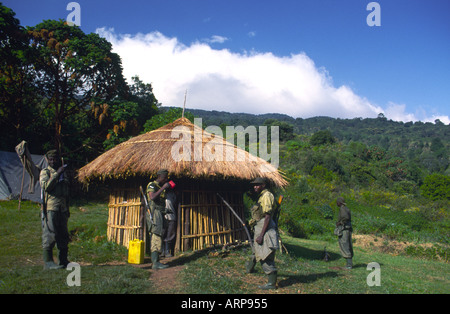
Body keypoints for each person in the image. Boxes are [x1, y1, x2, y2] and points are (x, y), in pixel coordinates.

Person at [245, 177, 279, 290]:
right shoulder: (261, 196)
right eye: (254, 185)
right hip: (260, 226)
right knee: (257, 250)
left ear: (263, 185)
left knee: (265, 255)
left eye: (257, 185)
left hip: (265, 227)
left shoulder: (267, 196)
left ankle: (271, 283)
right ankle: (249, 268)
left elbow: (268, 216)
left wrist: (261, 235)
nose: (255, 186)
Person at [39, 149, 70, 270]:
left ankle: (63, 260)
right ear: (47, 160)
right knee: (50, 234)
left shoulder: (64, 172)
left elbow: (66, 192)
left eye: (55, 159)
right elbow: (46, 187)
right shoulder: (45, 172)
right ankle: (48, 262)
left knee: (63, 235)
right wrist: (56, 174)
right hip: (51, 208)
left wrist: (67, 208)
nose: (53, 161)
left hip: (62, 208)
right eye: (50, 159)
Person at [146, 169, 171, 269]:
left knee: (159, 234)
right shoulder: (152, 185)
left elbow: (159, 202)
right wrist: (163, 188)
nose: (166, 180)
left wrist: (165, 210)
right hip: (154, 214)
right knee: (156, 235)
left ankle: (156, 261)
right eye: (165, 178)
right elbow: (152, 197)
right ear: (160, 176)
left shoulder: (159, 187)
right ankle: (155, 263)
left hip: (159, 213)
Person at [336, 197, 354, 269]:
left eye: (337, 202)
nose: (336, 203)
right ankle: (349, 264)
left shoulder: (342, 209)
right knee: (348, 245)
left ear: (340, 203)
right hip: (348, 229)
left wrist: (340, 223)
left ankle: (349, 265)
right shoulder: (346, 208)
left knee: (345, 245)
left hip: (345, 230)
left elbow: (345, 217)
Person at [162, 189, 177, 257]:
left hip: (171, 216)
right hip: (163, 217)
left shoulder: (173, 194)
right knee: (162, 233)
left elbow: (175, 203)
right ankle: (162, 251)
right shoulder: (161, 194)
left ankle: (167, 251)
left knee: (170, 233)